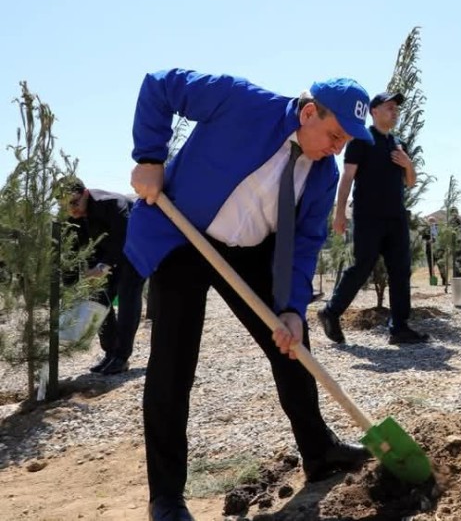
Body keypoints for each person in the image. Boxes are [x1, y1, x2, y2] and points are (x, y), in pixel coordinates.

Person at [126, 69, 373, 521]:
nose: (337, 148)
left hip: (251, 253)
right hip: (184, 235)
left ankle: (319, 453)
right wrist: (150, 157)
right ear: (309, 112)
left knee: (292, 346)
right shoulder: (240, 101)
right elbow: (159, 86)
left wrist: (294, 310)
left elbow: (303, 247)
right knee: (173, 364)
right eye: (335, 135)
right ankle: (166, 497)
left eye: (345, 142)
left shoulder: (321, 175)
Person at [318, 91, 428, 345]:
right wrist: (339, 213)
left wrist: (407, 163)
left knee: (401, 270)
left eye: (396, 108)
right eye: (389, 107)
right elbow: (347, 177)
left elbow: (410, 183)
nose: (395, 111)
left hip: (396, 217)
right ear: (374, 111)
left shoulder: (398, 144)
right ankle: (331, 312)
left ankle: (399, 327)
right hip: (368, 217)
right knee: (362, 266)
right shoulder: (361, 140)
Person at [65, 180, 146, 375]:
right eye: (66, 206)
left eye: (75, 203)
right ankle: (110, 353)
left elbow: (124, 237)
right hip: (108, 255)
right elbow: (74, 249)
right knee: (99, 299)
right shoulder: (74, 217)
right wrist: (76, 279)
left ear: (85, 193)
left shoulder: (111, 203)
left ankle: (121, 357)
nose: (72, 210)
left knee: (128, 297)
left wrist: (102, 266)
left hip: (135, 251)